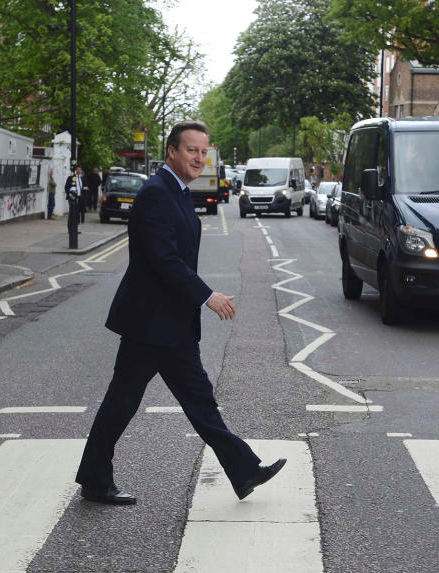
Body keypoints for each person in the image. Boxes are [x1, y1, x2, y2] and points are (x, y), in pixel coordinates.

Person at [75, 121, 286, 505]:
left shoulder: (177, 192)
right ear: (171, 151)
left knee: (198, 401)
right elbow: (164, 260)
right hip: (150, 324)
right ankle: (94, 478)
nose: (199, 158)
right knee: (123, 403)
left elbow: (174, 259)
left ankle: (243, 471)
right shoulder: (157, 194)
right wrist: (207, 296)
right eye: (191, 150)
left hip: (171, 324)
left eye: (203, 152)